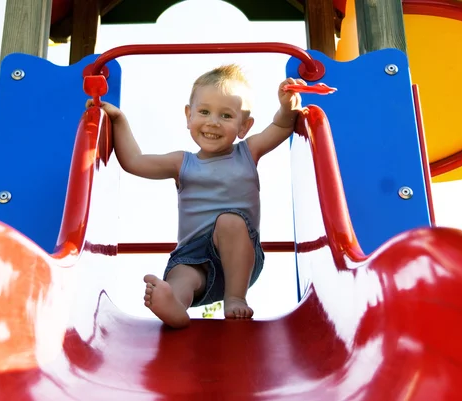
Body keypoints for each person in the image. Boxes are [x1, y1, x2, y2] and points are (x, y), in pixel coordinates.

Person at [88, 64, 305, 328]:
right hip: (192, 255)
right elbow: (135, 161)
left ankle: (235, 298)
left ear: (244, 126)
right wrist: (119, 120)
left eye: (226, 115)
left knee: (230, 221)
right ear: (189, 116)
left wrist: (288, 107)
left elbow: (281, 127)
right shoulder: (183, 163)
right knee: (182, 277)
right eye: (204, 112)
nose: (213, 122)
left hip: (241, 257)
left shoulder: (248, 152)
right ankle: (174, 306)